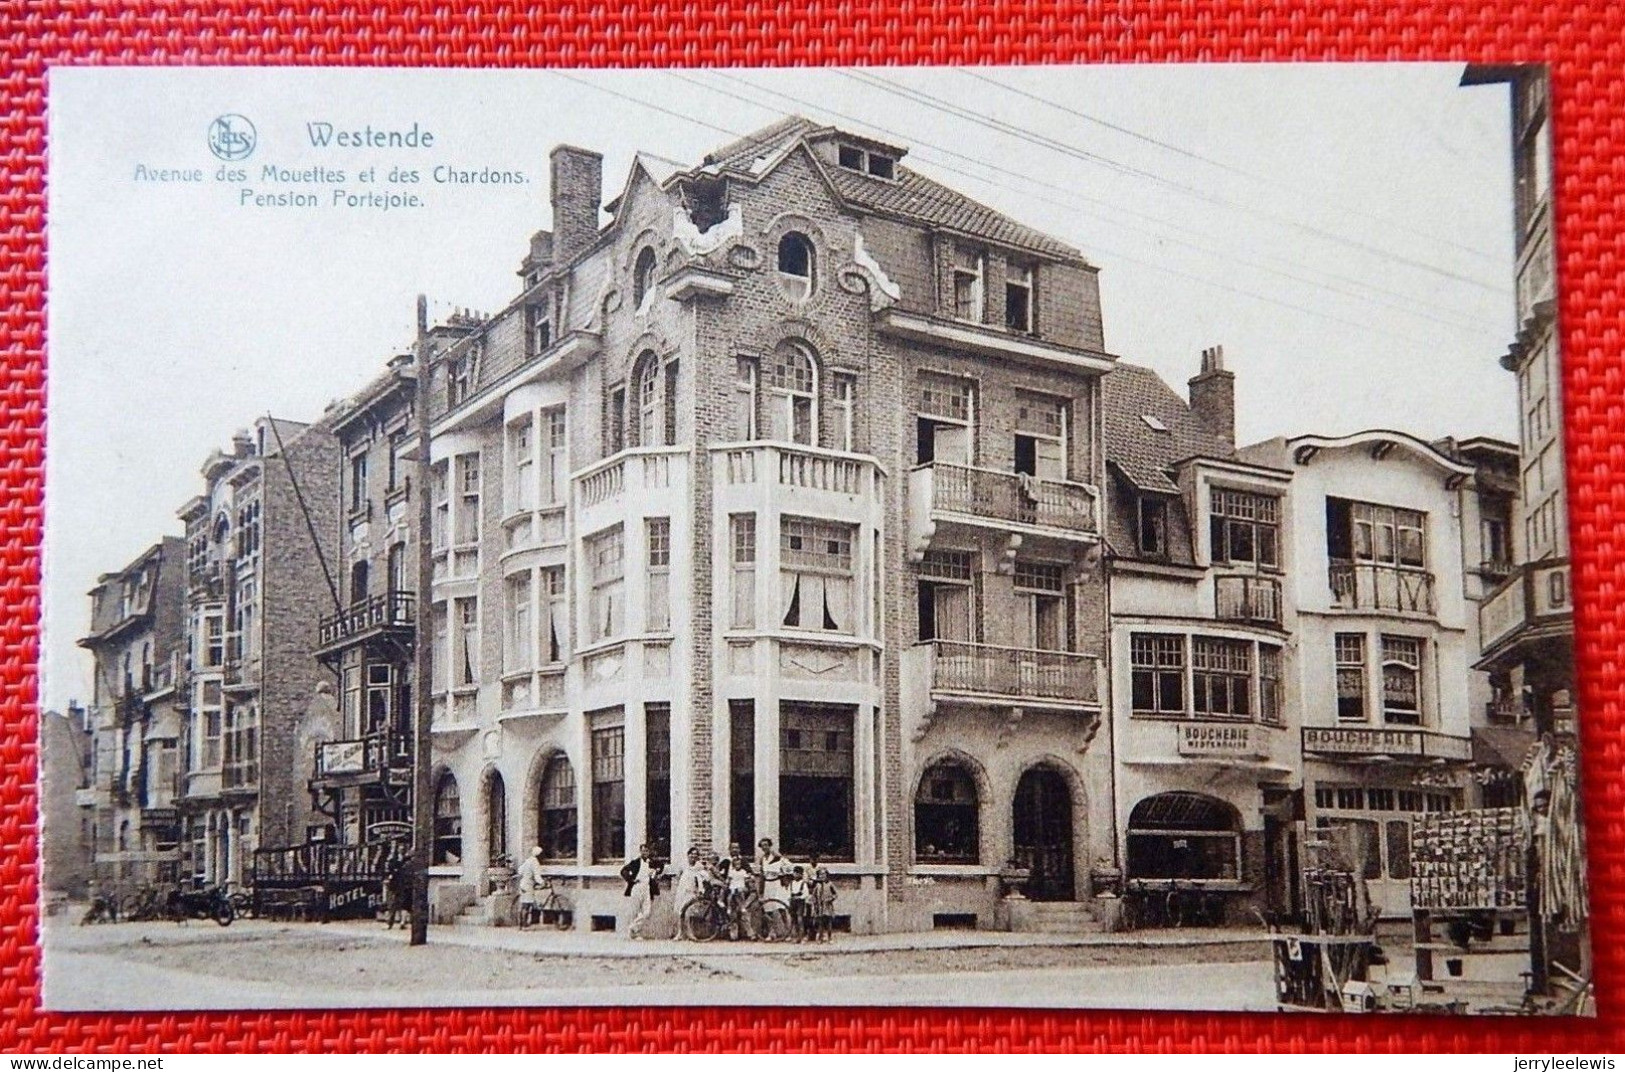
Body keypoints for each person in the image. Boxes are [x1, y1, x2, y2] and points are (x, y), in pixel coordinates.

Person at [620, 842, 661, 939]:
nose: (645, 853)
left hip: (647, 888)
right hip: (637, 887)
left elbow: (661, 866)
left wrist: (657, 871)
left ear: (649, 852)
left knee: (647, 912)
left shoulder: (651, 862)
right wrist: (631, 879)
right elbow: (623, 871)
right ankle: (635, 934)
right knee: (635, 910)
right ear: (640, 852)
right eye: (643, 851)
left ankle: (633, 927)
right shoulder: (635, 862)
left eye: (646, 851)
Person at [671, 846, 706, 941]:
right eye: (691, 854)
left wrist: (700, 891)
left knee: (688, 913)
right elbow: (678, 877)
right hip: (682, 890)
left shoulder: (699, 867)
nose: (693, 856)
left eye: (695, 855)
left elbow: (701, 880)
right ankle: (680, 933)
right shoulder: (683, 865)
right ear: (688, 855)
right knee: (680, 912)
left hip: (691, 892)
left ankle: (690, 934)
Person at [515, 846, 544, 930]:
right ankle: (524, 924)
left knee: (523, 905)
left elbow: (520, 871)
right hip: (528, 885)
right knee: (527, 905)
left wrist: (527, 874)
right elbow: (537, 876)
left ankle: (520, 924)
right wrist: (542, 882)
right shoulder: (535, 862)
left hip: (523, 884)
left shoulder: (528, 860)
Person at [810, 856, 836, 943]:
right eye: (820, 875)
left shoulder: (830, 884)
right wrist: (814, 902)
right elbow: (813, 895)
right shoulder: (817, 886)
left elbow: (835, 894)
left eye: (824, 874)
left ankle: (830, 938)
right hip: (820, 907)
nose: (822, 876)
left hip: (827, 906)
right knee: (820, 923)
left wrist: (830, 899)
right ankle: (820, 938)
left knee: (828, 923)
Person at [383, 850, 411, 930]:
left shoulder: (403, 863)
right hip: (399, 887)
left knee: (396, 906)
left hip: (399, 887)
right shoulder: (400, 865)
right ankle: (398, 922)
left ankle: (394, 923)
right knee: (398, 906)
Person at [787, 865, 810, 942]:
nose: (795, 875)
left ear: (801, 874)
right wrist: (789, 898)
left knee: (800, 919)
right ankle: (795, 936)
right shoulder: (792, 883)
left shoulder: (803, 883)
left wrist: (799, 897)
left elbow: (805, 894)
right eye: (794, 873)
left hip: (800, 902)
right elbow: (789, 892)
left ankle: (802, 936)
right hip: (793, 902)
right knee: (793, 919)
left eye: (797, 873)